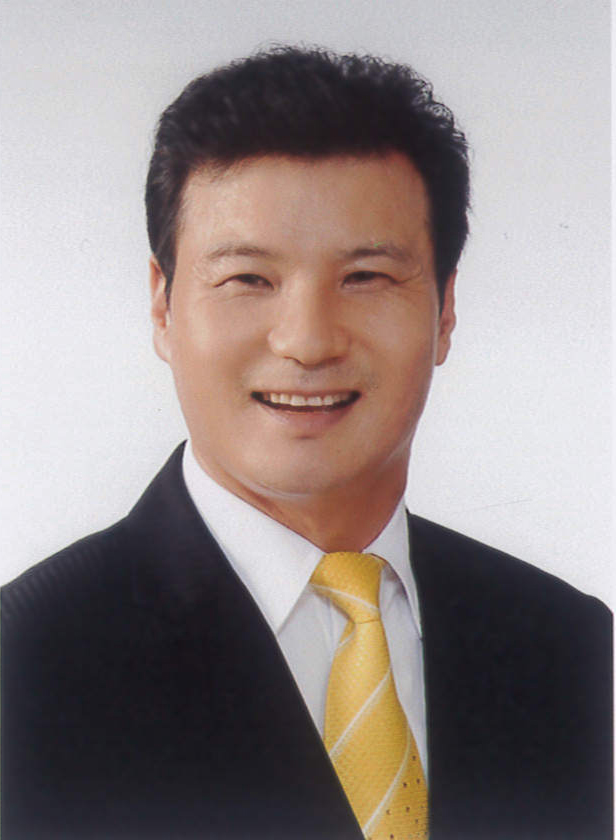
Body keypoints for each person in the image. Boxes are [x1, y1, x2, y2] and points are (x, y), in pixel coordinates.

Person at [1, 46, 611, 840]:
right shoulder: (26, 666)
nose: (308, 341)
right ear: (161, 306)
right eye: (248, 279)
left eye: (366, 277)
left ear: (446, 311)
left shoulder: (574, 651)